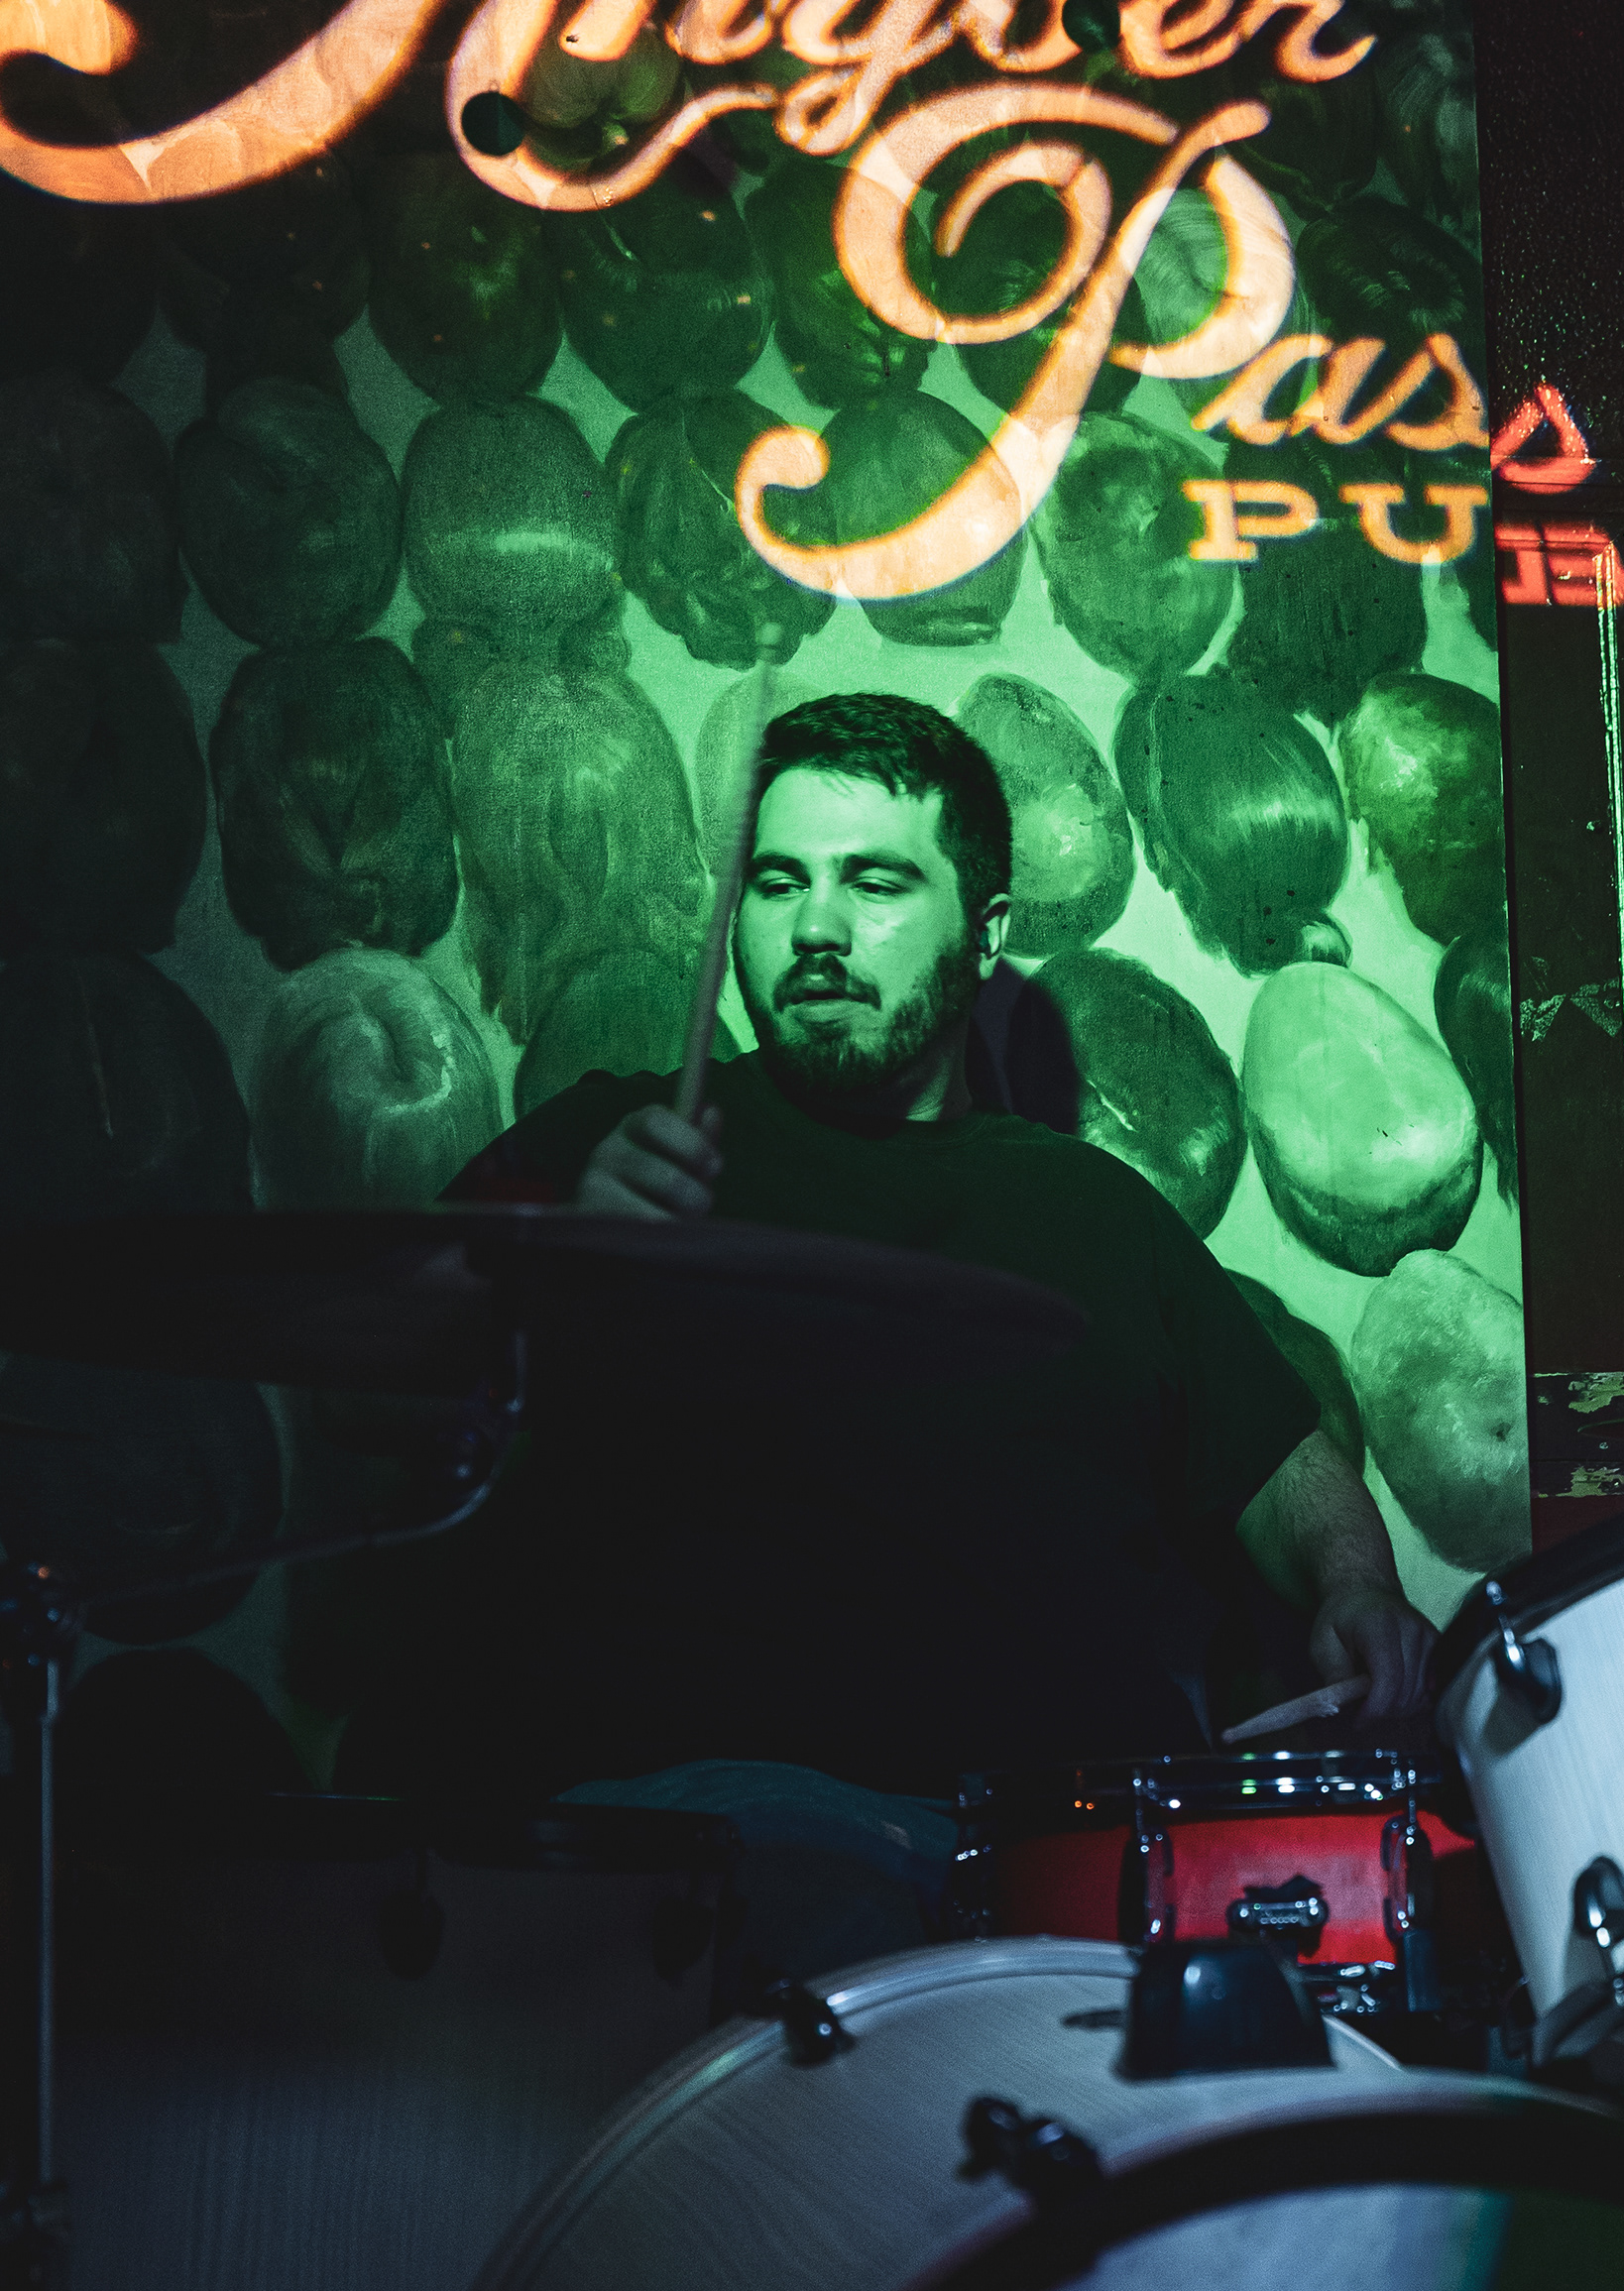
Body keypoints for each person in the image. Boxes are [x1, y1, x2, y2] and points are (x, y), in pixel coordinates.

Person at [402, 691, 1434, 1811]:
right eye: (777, 882)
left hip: (1037, 1853)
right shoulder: (610, 1143)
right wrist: (545, 1273)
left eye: (876, 884)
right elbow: (362, 1370)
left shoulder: (1100, 1211)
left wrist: (1357, 1586)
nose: (815, 929)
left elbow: (1282, 1466)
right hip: (676, 1842)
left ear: (985, 933)